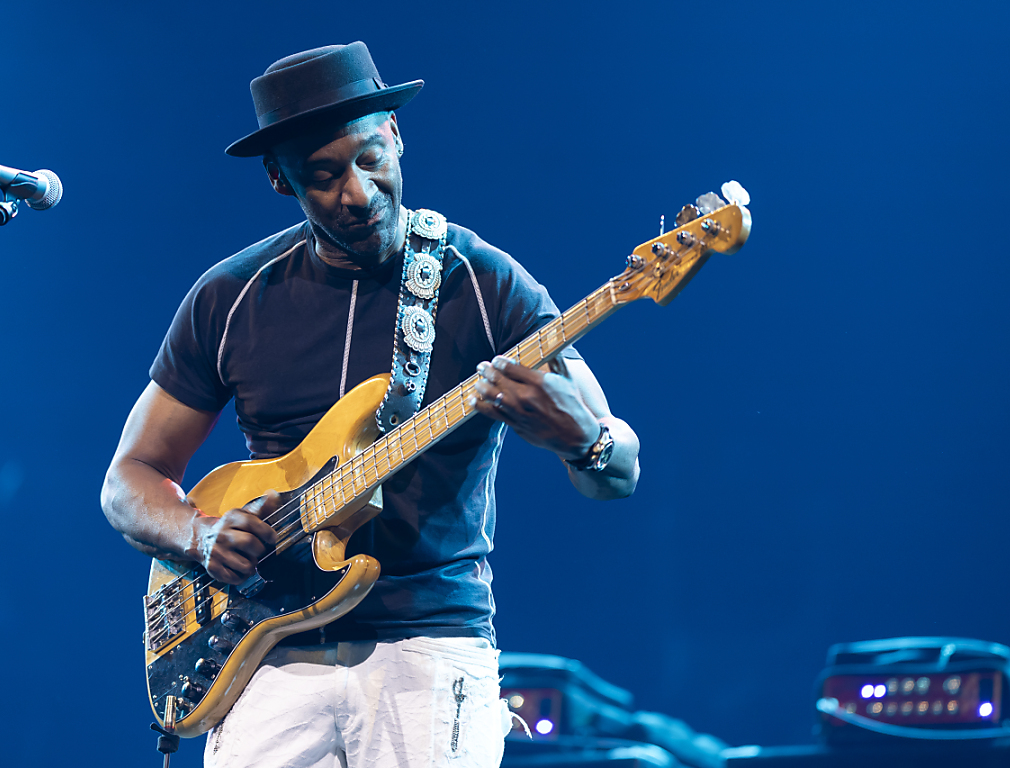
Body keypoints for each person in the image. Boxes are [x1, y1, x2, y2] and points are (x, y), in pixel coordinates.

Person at [101, 42, 639, 768]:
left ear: (396, 134)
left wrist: (586, 443)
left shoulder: (484, 283)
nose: (356, 193)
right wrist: (198, 537)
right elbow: (128, 480)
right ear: (279, 178)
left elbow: (619, 470)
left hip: (429, 646)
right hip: (266, 650)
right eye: (322, 176)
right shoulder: (230, 297)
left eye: (370, 158)